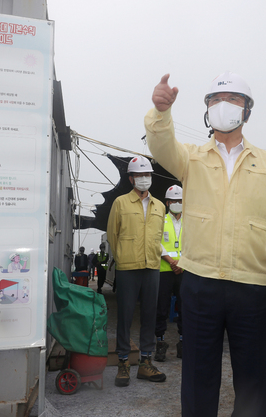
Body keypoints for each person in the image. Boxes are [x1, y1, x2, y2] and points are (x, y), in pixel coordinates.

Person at [145, 72, 266, 417]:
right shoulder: (191, 157)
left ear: (246, 110)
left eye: (233, 99)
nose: (223, 106)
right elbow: (159, 145)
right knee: (199, 374)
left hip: (252, 283)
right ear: (206, 110)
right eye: (215, 100)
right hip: (201, 282)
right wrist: (160, 112)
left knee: (253, 377)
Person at [107, 156, 167, 387]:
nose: (144, 179)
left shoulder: (160, 206)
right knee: (125, 316)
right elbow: (113, 235)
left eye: (148, 175)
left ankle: (145, 363)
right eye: (140, 175)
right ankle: (123, 363)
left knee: (149, 316)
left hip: (152, 266)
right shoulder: (120, 203)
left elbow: (158, 236)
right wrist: (123, 257)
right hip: (128, 267)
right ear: (131, 178)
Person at [154, 185, 184, 362]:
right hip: (165, 270)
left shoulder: (190, 222)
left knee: (185, 308)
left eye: (180, 201)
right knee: (161, 308)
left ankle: (183, 342)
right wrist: (171, 261)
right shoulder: (160, 220)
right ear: (167, 203)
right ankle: (160, 342)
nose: (177, 204)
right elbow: (156, 241)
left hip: (184, 271)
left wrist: (182, 262)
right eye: (173, 201)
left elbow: (194, 243)